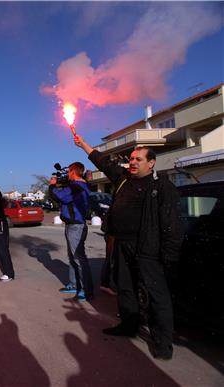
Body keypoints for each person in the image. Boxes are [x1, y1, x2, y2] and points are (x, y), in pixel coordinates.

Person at [74, 135, 182, 360]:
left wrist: (169, 257)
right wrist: (83, 144)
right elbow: (103, 162)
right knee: (125, 288)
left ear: (151, 163)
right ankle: (129, 325)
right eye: (131, 159)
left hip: (147, 248)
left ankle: (163, 342)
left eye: (138, 159)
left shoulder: (162, 187)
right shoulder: (123, 178)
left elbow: (172, 225)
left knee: (156, 295)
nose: (132, 163)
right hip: (122, 245)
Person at [49, 162, 94, 302]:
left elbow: (59, 196)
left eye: (69, 172)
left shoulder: (76, 186)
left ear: (74, 171)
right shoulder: (78, 185)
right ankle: (75, 284)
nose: (67, 174)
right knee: (72, 257)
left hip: (76, 226)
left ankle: (86, 290)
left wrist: (52, 185)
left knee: (78, 258)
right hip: (72, 225)